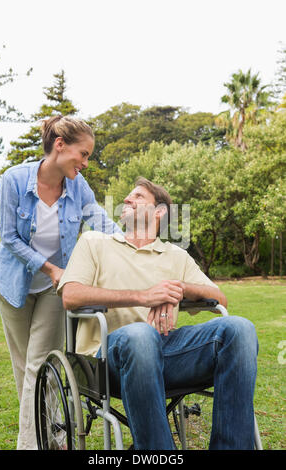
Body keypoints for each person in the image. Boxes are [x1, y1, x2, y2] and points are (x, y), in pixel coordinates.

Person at [57, 177, 259, 450]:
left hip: (169, 351)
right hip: (108, 358)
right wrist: (143, 296)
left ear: (159, 212)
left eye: (138, 196)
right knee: (141, 335)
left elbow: (219, 298)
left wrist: (178, 288)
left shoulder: (176, 255)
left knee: (240, 329)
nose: (127, 200)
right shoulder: (95, 242)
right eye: (129, 196)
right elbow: (71, 295)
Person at [0, 115, 122, 450]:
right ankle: (55, 434)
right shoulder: (15, 180)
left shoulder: (77, 186)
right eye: (84, 154)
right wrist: (48, 267)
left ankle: (31, 445)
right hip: (13, 285)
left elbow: (99, 218)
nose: (86, 163)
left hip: (55, 287)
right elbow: (8, 238)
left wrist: (128, 247)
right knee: (25, 368)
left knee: (40, 363)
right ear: (60, 145)